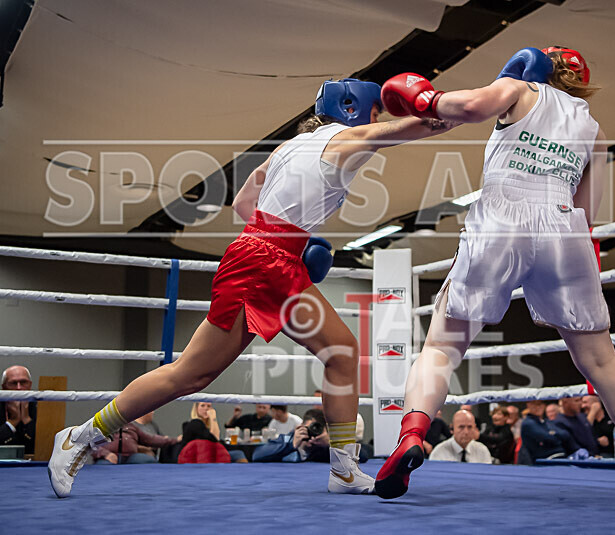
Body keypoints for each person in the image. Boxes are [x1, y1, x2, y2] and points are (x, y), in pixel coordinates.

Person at [48, 77, 456, 498]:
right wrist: (447, 109)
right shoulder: (343, 138)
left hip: (275, 260)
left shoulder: (289, 147)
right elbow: (404, 130)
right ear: (355, 107)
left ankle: (344, 470)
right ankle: (80, 437)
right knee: (191, 374)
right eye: (377, 109)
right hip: (260, 263)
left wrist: (299, 240)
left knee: (342, 352)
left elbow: (244, 204)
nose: (379, 116)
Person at [375, 46, 615, 502]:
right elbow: (588, 211)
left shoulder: (519, 87)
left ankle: (413, 437)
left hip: (502, 218)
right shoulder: (594, 131)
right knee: (601, 362)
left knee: (442, 345)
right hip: (565, 226)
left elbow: (474, 107)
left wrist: (426, 99)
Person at [179, 402, 246, 462]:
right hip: (197, 457)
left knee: (238, 452)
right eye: (202, 406)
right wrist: (213, 417)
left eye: (208, 406)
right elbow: (215, 438)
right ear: (196, 409)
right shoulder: (195, 423)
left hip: (209, 454)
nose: (206, 408)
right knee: (238, 454)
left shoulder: (208, 426)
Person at [93, 423, 177, 465]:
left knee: (151, 462)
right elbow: (91, 445)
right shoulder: (102, 426)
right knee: (102, 467)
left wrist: (174, 440)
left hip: (131, 457)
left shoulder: (131, 426)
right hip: (108, 458)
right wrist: (107, 454)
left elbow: (150, 439)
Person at [1, 366, 36, 455]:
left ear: (30, 385)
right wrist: (12, 422)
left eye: (23, 382)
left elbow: (42, 444)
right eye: (13, 383)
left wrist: (26, 419)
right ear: (4, 387)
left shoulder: (40, 407)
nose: (19, 388)